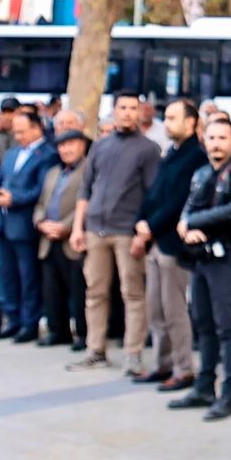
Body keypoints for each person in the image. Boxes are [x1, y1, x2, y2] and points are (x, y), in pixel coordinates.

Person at [171, 108, 231, 418]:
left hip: (227, 259)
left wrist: (194, 221)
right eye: (212, 138)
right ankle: (204, 387)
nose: (217, 144)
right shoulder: (201, 172)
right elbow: (189, 205)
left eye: (223, 138)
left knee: (228, 327)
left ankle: (229, 394)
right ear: (203, 140)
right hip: (201, 258)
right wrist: (186, 224)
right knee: (203, 324)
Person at [78, 94, 158, 370]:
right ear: (113, 111)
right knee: (95, 292)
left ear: (140, 112)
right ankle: (95, 350)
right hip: (95, 229)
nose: (127, 113)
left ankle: (133, 353)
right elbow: (85, 189)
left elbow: (152, 195)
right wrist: (79, 226)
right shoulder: (100, 146)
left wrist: (142, 233)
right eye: (122, 108)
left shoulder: (149, 149)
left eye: (133, 108)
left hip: (126, 230)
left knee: (133, 293)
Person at [133, 99, 205, 390]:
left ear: (190, 123)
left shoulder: (195, 157)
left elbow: (178, 202)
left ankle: (184, 368)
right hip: (155, 242)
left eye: (174, 117)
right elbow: (154, 194)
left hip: (173, 244)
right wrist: (140, 220)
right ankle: (162, 365)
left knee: (174, 310)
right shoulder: (171, 153)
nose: (168, 121)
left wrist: (150, 226)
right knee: (156, 309)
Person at [0, 106, 50, 344]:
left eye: (22, 132)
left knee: (28, 277)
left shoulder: (46, 154)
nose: (18, 136)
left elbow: (41, 189)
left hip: (24, 223)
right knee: (6, 273)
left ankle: (29, 322)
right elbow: (0, 178)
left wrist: (15, 198)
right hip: (4, 220)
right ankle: (12, 319)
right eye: (16, 132)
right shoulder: (12, 153)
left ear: (36, 128)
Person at [32, 125, 92, 348]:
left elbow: (88, 203)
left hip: (73, 238)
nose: (66, 149)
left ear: (82, 145)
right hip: (48, 239)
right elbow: (40, 203)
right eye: (62, 145)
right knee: (52, 288)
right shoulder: (53, 173)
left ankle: (84, 334)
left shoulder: (88, 170)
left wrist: (65, 226)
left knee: (78, 290)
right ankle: (58, 331)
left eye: (71, 144)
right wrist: (41, 222)